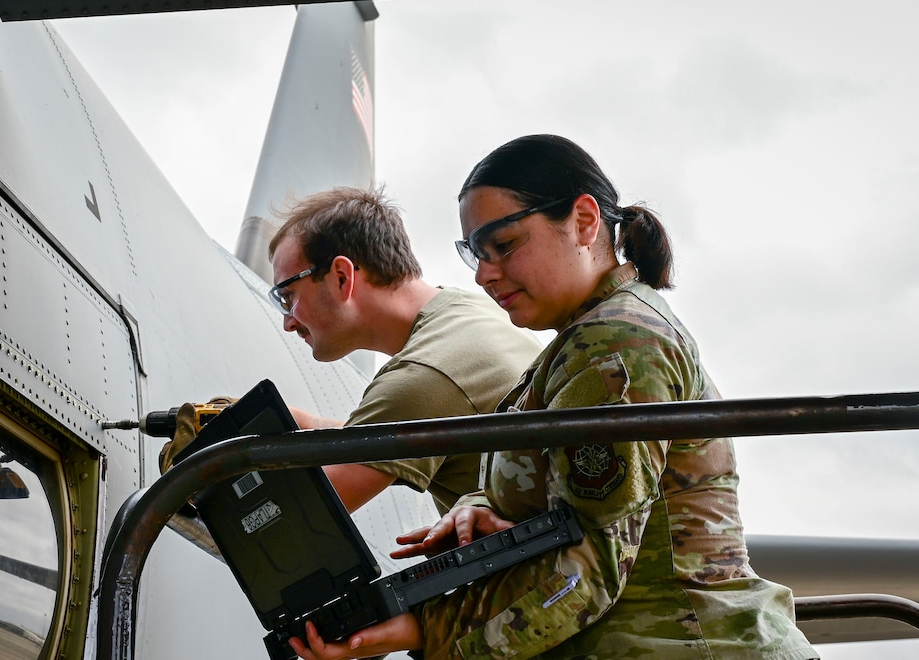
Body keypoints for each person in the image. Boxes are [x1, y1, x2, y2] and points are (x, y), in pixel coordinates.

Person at [290, 136, 818, 659]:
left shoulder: (614, 346)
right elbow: (569, 505)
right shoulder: (580, 344)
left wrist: (426, 627)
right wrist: (481, 507)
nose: (484, 273)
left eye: (505, 245)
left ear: (584, 222)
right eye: (476, 253)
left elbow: (587, 569)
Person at [264, 186, 539, 514]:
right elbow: (406, 424)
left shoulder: (425, 375)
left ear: (341, 277)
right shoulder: (468, 311)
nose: (288, 323)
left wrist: (212, 469)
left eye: (288, 297)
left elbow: (294, 521)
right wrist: (309, 424)